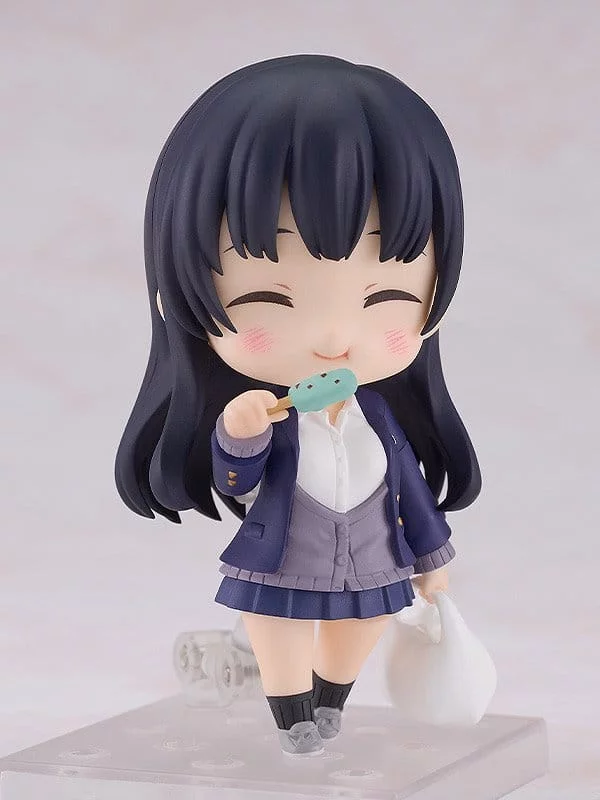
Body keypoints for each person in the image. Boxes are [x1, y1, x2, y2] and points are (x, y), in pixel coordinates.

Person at [115, 54, 481, 757]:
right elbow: (237, 483)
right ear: (176, 295)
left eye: (387, 297)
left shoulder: (381, 422)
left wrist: (433, 556)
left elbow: (408, 491)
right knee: (277, 623)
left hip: (371, 555)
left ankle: (331, 699)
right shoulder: (274, 415)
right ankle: (291, 714)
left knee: (362, 622)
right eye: (268, 298)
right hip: (284, 553)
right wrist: (240, 436)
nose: (336, 337)